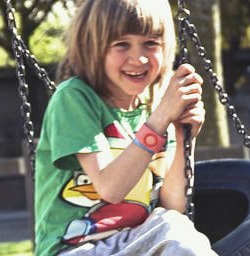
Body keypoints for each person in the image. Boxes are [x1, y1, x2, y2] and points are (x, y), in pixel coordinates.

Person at [34, 0, 217, 255]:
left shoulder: (156, 105)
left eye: (151, 43)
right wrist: (160, 120)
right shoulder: (75, 98)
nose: (138, 58)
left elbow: (174, 204)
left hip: (136, 241)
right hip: (77, 249)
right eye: (122, 44)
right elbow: (111, 189)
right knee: (174, 230)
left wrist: (184, 134)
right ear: (93, 48)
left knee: (175, 224)